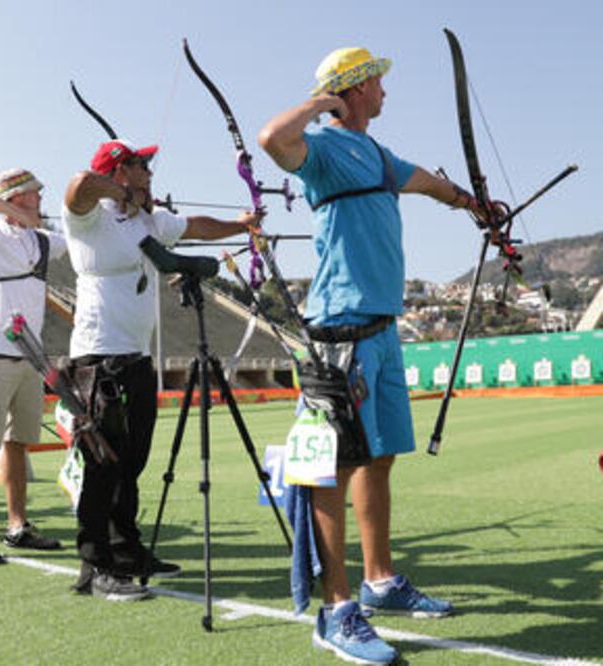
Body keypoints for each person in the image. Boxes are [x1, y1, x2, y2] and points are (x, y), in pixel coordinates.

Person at [258, 47, 488, 665]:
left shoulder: (380, 156)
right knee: (331, 468)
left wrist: (473, 204)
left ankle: (379, 580)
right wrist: (320, 102)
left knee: (379, 458)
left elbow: (430, 184)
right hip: (341, 333)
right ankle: (336, 612)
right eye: (376, 82)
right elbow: (271, 137)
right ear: (353, 89)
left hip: (383, 332)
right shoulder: (325, 150)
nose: (385, 91)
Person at [62, 139, 261, 600]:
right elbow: (78, 185)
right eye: (140, 165)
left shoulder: (149, 219)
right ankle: (95, 567)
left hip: (136, 355)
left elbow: (196, 226)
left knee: (131, 460)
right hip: (98, 354)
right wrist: (120, 194)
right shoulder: (91, 218)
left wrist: (241, 223)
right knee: (101, 461)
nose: (150, 171)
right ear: (120, 171)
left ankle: (126, 551)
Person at [0, 168, 67, 565]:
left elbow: (78, 235)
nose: (41, 196)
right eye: (35, 192)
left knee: (18, 443)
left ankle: (17, 525)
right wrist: (16, 213)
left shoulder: (41, 239)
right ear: (19, 197)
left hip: (30, 358)